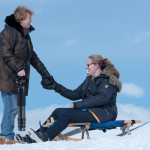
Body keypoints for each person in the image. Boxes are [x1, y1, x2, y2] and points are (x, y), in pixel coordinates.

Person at [16, 54, 122, 143]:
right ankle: (38, 135)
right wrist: (56, 87)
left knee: (66, 116)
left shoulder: (107, 80)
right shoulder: (89, 80)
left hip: (104, 113)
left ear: (96, 65)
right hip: (91, 111)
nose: (86, 67)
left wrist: (79, 104)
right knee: (58, 111)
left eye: (88, 64)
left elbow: (102, 98)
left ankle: (46, 137)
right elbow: (74, 94)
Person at [0, 6, 52, 140]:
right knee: (11, 108)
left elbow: (33, 57)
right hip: (7, 76)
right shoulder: (8, 32)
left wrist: (45, 74)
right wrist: (18, 68)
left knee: (14, 108)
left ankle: (7, 135)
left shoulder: (24, 35)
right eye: (29, 17)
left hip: (17, 77)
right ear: (21, 19)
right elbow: (5, 53)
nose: (31, 20)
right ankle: (6, 136)